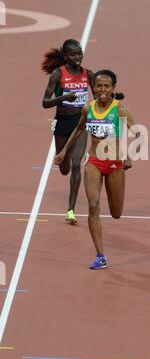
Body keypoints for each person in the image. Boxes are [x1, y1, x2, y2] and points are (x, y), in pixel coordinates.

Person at [55, 70, 140, 269]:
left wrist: (129, 155)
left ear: (113, 88)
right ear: (93, 87)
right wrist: (64, 151)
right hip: (93, 162)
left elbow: (138, 134)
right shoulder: (88, 108)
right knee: (93, 206)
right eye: (99, 86)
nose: (102, 90)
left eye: (106, 86)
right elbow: (78, 129)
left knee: (116, 212)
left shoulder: (120, 111)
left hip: (114, 164)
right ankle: (100, 255)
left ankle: (104, 244)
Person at [42, 39, 94, 224]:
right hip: (63, 122)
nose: (78, 57)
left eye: (79, 53)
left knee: (76, 163)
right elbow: (45, 102)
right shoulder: (58, 74)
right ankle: (66, 152)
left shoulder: (88, 74)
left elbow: (98, 100)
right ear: (66, 56)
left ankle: (70, 210)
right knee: (64, 168)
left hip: (80, 122)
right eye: (73, 54)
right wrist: (64, 97)